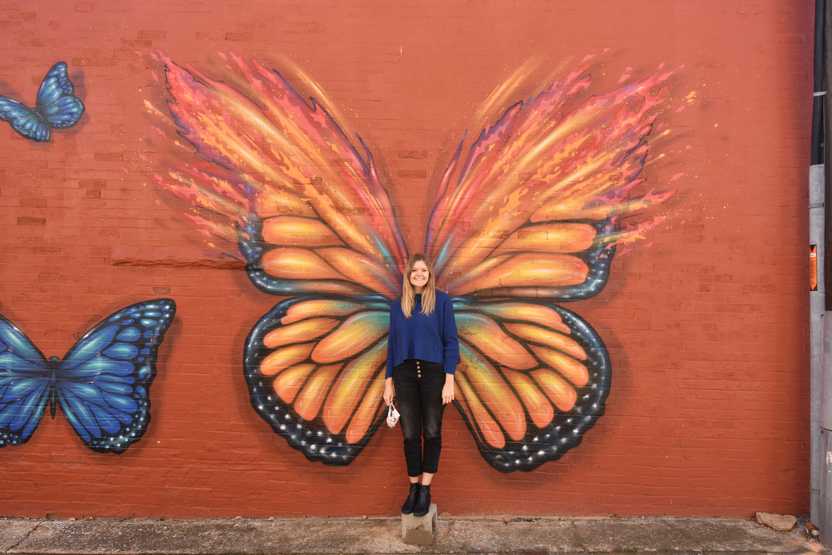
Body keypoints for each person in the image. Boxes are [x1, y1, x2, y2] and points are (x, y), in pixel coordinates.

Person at [383, 253, 459, 517]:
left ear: (429, 274)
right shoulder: (397, 307)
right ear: (408, 275)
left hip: (434, 374)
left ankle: (426, 489)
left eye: (423, 270)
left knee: (432, 431)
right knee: (410, 434)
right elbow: (392, 346)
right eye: (414, 270)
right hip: (403, 373)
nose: (419, 274)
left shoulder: (441, 302)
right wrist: (388, 381)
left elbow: (451, 341)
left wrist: (449, 379)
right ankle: (413, 487)